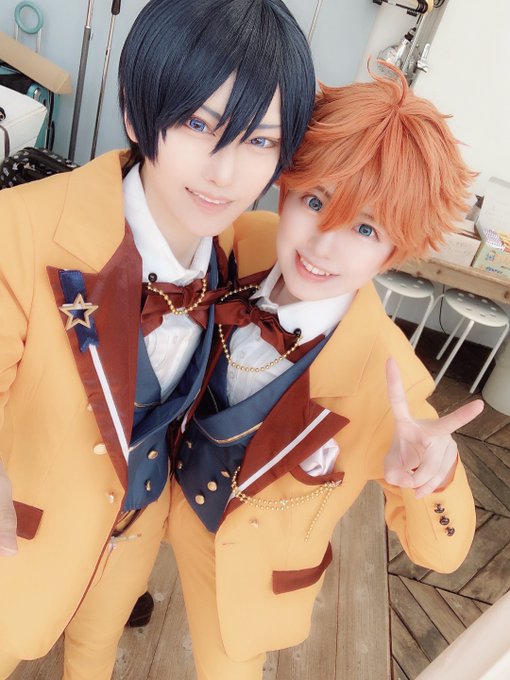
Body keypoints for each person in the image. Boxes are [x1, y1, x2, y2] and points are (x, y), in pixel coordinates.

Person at [0, 0, 315, 678]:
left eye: (259, 141)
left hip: (136, 534)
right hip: (19, 542)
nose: (226, 173)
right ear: (136, 113)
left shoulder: (250, 253)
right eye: (199, 124)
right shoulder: (19, 229)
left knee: (95, 656)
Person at [166, 64, 484, 679]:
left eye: (365, 227)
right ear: (284, 188)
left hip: (245, 575)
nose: (322, 245)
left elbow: (444, 555)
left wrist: (435, 478)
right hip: (156, 498)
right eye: (315, 202)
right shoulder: (244, 239)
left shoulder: (388, 381)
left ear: (394, 250)